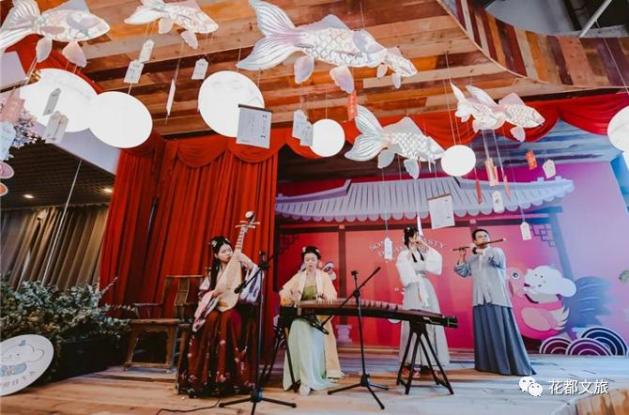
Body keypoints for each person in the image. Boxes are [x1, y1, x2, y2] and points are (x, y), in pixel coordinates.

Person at [178, 236, 258, 397]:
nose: (228, 253)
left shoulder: (240, 268)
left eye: (229, 250)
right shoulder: (213, 274)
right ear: (216, 255)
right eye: (223, 251)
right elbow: (203, 295)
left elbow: (255, 275)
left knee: (226, 319)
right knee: (211, 319)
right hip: (216, 308)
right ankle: (205, 377)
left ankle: (226, 377)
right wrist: (214, 293)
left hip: (236, 309)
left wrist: (247, 262)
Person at [454, 228, 535, 376]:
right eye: (479, 237)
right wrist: (462, 256)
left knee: (501, 331)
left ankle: (508, 365)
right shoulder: (473, 258)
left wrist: (476, 250)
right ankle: (487, 365)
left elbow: (495, 260)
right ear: (474, 241)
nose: (483, 238)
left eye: (485, 236)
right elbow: (463, 272)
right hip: (480, 299)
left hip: (497, 297)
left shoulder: (497, 251)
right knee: (484, 332)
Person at [279, 246, 343, 396]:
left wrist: (325, 298)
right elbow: (284, 291)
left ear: (318, 261)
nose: (310, 262)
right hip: (301, 317)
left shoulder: (324, 277)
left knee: (310, 334)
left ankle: (309, 379)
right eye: (307, 260)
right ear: (304, 262)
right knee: (297, 327)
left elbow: (332, 296)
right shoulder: (299, 277)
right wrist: (292, 295)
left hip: (318, 318)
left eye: (313, 259)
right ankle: (298, 377)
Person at [396, 226, 449, 375]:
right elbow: (404, 271)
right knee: (412, 322)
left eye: (418, 236)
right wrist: (411, 250)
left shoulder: (424, 252)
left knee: (429, 322)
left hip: (426, 287)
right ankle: (410, 363)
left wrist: (424, 246)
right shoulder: (403, 254)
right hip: (413, 288)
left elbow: (436, 263)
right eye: (414, 236)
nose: (416, 238)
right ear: (407, 238)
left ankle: (429, 362)